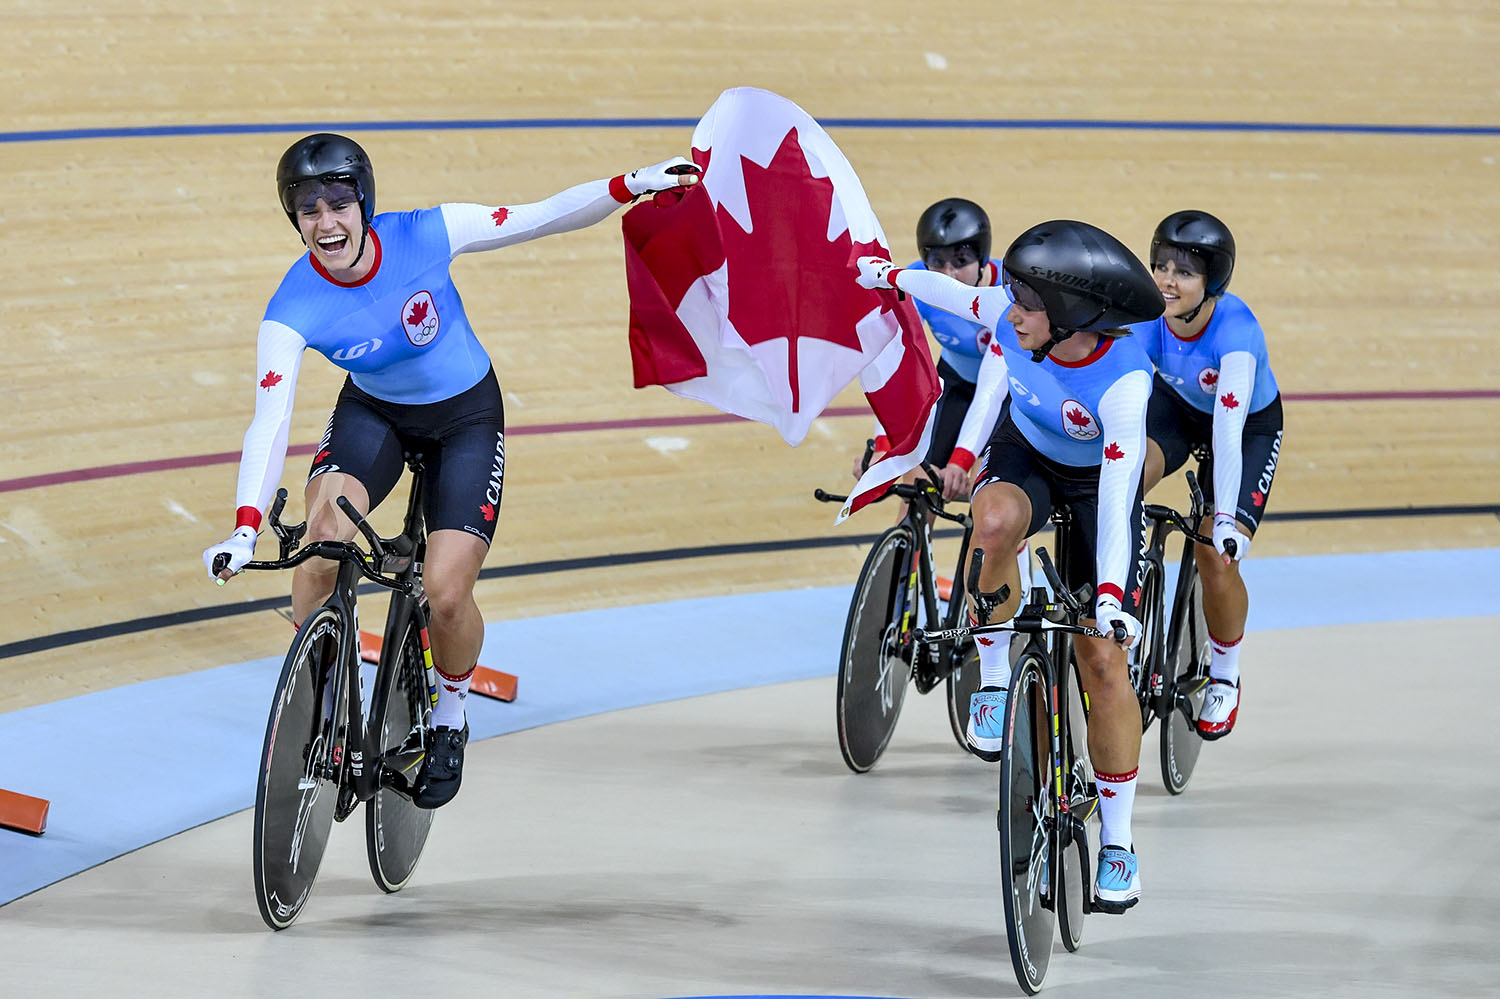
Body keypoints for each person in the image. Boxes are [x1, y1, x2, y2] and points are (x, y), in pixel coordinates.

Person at [202, 133, 698, 808]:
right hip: (372, 413)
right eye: (308, 208)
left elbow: (539, 215)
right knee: (319, 546)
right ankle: (321, 699)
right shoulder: (291, 308)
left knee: (447, 593)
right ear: (294, 218)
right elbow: (269, 421)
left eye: (339, 202)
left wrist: (629, 183)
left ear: (364, 202)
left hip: (465, 416)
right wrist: (244, 528)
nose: (326, 222)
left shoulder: (426, 234)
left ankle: (450, 714)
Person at [856, 219, 1164, 913]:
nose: (1008, 311)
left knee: (1104, 660)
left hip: (1093, 491)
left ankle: (1118, 841)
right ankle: (993, 678)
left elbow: (1118, 500)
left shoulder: (1124, 383)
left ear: (1069, 319)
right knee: (989, 523)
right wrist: (888, 276)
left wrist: (1112, 595)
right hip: (1028, 456)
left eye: (1025, 305)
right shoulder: (1011, 314)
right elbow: (951, 294)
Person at [1132, 210, 1282, 740]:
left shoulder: (1236, 334)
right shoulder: (1150, 315)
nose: (1168, 281)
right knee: (1127, 475)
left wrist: (1222, 520)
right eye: (1160, 266)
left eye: (1185, 272)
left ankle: (1226, 671)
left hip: (1244, 428)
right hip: (1178, 409)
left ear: (1212, 282)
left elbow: (1226, 431)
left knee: (1214, 556)